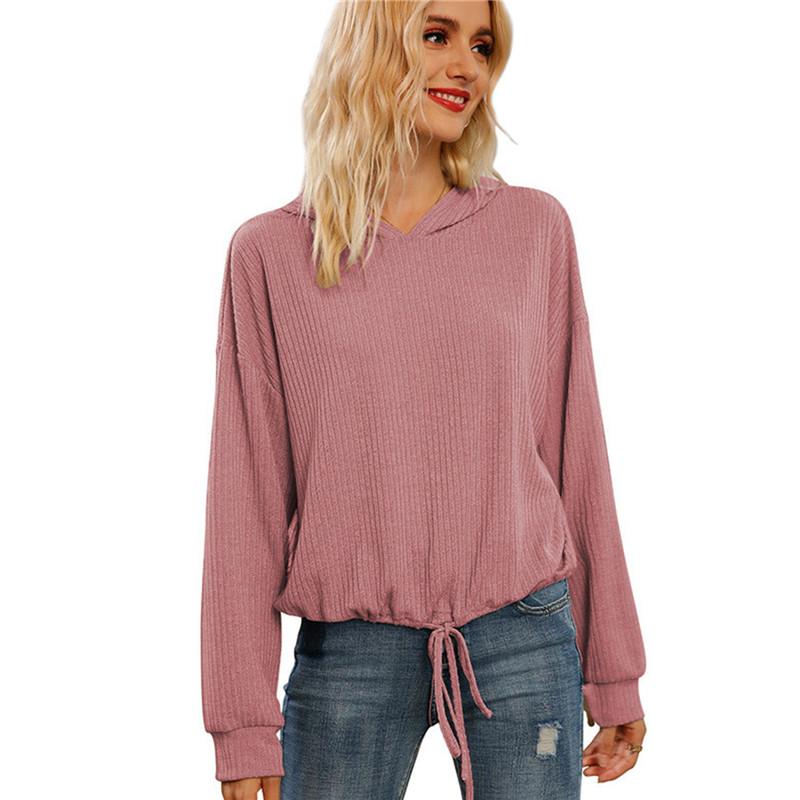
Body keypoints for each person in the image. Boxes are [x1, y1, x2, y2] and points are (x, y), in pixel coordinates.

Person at [200, 1, 647, 798]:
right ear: (371, 44)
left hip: (523, 637)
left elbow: (577, 452)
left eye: (482, 45)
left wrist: (614, 672)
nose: (467, 66)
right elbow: (247, 499)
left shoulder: (535, 230)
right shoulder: (270, 254)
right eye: (437, 35)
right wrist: (241, 725)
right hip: (349, 654)